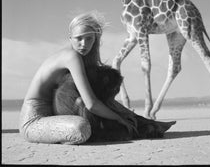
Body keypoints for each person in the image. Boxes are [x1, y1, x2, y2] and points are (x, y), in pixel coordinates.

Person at [19, 11, 176, 145]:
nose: (84, 44)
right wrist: (118, 119)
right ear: (70, 38)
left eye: (89, 39)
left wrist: (131, 116)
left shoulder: (81, 57)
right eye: (79, 38)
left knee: (98, 114)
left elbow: (98, 99)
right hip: (34, 121)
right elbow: (91, 104)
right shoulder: (70, 56)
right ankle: (134, 128)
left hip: (56, 114)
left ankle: (148, 124)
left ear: (96, 40)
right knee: (81, 129)